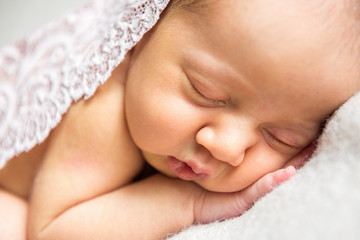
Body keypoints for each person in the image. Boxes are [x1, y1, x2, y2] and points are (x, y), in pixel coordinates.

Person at [1, 0, 359, 239]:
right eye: (206, 93)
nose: (227, 147)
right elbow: (53, 233)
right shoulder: (104, 107)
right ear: (143, 36)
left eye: (281, 138)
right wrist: (191, 204)